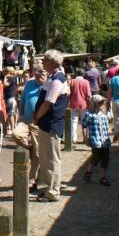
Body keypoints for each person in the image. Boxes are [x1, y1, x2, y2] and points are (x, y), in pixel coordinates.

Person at [32, 50, 68, 202]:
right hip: (47, 124)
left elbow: (48, 102)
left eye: (45, 60)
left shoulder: (57, 80)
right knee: (46, 159)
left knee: (52, 160)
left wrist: (37, 117)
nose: (43, 62)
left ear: (52, 62)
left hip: (51, 124)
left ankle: (52, 192)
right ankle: (48, 188)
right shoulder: (53, 77)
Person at [13, 67, 45, 192]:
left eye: (41, 73)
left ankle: (32, 180)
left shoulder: (48, 85)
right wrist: (20, 115)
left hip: (38, 123)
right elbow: (22, 101)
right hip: (26, 120)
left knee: (37, 154)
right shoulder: (29, 83)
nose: (38, 75)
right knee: (16, 134)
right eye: (36, 73)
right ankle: (29, 148)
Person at [81, 95, 111, 186]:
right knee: (96, 157)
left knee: (105, 158)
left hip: (105, 140)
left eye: (102, 103)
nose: (102, 104)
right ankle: (88, 171)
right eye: (100, 103)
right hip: (95, 140)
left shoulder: (104, 114)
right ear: (94, 104)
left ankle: (103, 177)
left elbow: (106, 127)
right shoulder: (89, 114)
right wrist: (86, 138)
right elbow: (84, 126)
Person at [68, 68, 92, 144]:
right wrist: (91, 104)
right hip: (84, 104)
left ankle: (73, 139)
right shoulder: (86, 82)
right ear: (83, 74)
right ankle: (86, 138)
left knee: (73, 121)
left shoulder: (72, 81)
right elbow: (88, 95)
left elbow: (69, 93)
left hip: (73, 104)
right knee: (85, 122)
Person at [2, 67, 18, 135]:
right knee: (9, 114)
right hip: (10, 98)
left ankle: (12, 129)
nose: (4, 72)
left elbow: (5, 85)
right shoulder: (13, 78)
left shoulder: (10, 78)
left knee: (10, 115)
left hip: (9, 98)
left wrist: (5, 77)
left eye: (6, 71)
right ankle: (8, 129)